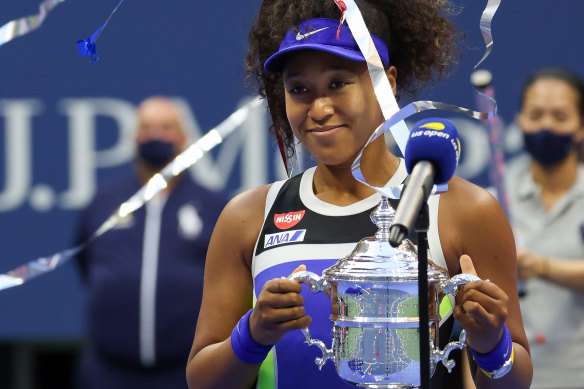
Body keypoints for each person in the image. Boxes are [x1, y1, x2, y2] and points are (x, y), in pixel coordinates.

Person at [186, 1, 532, 388]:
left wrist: (492, 345)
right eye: (299, 89)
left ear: (388, 82)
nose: (318, 108)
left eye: (338, 83)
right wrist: (252, 335)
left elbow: (513, 382)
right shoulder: (248, 217)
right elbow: (202, 380)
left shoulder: (465, 210)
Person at [74, 96, 227, 389]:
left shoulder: (214, 207)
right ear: (133, 137)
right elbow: (86, 266)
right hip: (108, 371)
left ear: (183, 137)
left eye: (165, 127)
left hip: (186, 371)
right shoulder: (103, 205)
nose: (155, 135)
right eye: (146, 127)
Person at [505, 67, 584, 388]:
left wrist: (540, 266)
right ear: (520, 121)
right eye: (536, 115)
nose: (547, 125)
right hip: (516, 375)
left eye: (560, 116)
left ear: (580, 127)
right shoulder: (493, 200)